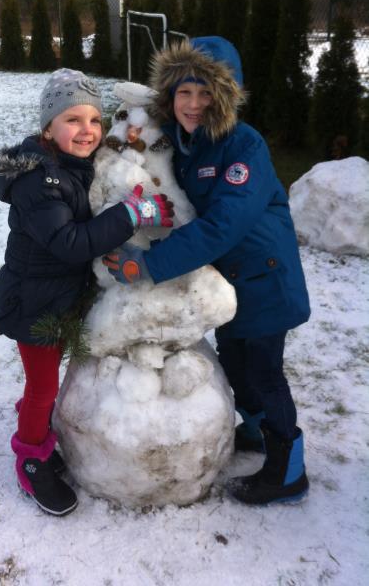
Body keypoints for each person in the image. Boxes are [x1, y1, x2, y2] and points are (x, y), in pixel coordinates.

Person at [102, 38, 311, 505]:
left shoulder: (244, 146)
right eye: (183, 93)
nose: (193, 105)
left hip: (265, 277)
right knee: (235, 361)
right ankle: (257, 433)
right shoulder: (185, 144)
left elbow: (222, 225)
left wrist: (150, 264)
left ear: (225, 95)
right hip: (230, 281)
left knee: (265, 371)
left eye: (204, 93)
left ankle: (288, 469)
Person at [0, 68, 173, 517]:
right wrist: (133, 212)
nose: (86, 131)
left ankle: (35, 419)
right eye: (72, 120)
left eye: (93, 120)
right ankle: (31, 457)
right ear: (48, 127)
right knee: (42, 387)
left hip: (59, 297)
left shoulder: (71, 166)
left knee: (45, 386)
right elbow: (70, 244)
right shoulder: (40, 181)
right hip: (34, 303)